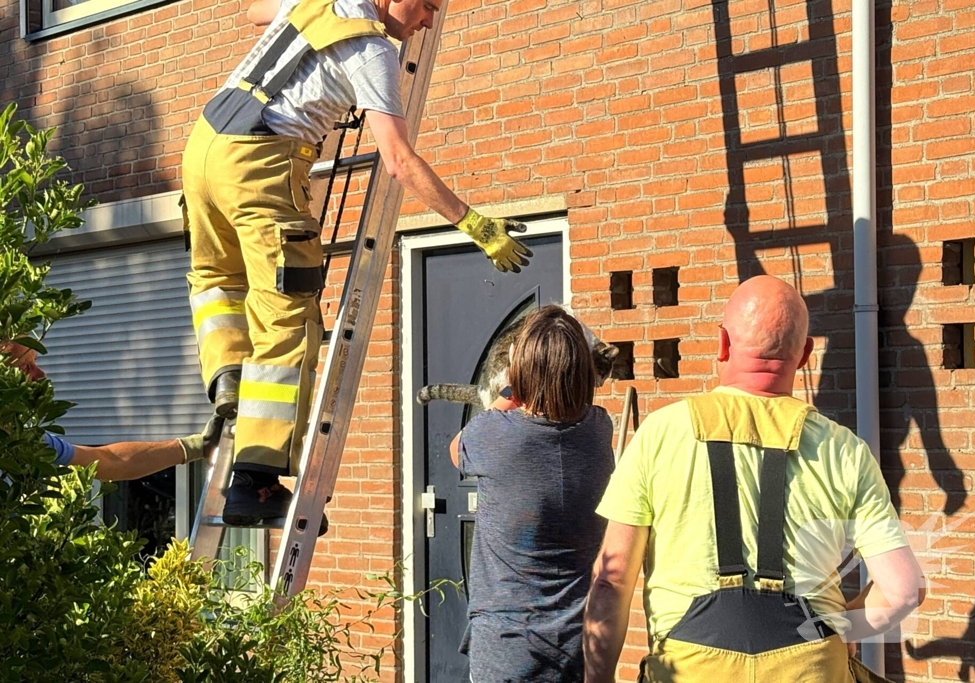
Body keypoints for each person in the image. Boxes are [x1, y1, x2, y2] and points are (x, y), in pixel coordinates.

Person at [182, 0, 533, 526]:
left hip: (204, 147)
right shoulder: (372, 51)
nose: (429, 22)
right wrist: (474, 224)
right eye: (429, 5)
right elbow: (397, 160)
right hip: (261, 162)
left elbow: (255, 11)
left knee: (217, 279)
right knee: (286, 322)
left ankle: (230, 376)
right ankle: (253, 484)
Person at [583, 276, 925, 683]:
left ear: (723, 344)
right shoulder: (844, 450)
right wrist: (841, 627)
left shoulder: (660, 433)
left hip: (689, 669)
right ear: (805, 355)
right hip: (810, 666)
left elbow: (612, 579)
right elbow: (904, 590)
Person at [447, 306, 615, 682]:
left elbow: (456, 449)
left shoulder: (493, 434)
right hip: (579, 645)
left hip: (508, 647)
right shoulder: (599, 431)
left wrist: (512, 389)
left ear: (521, 373)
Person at [2, 342, 217, 480]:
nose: (41, 375)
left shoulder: (29, 440)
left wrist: (197, 446)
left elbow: (108, 460)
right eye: (24, 367)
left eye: (36, 362)